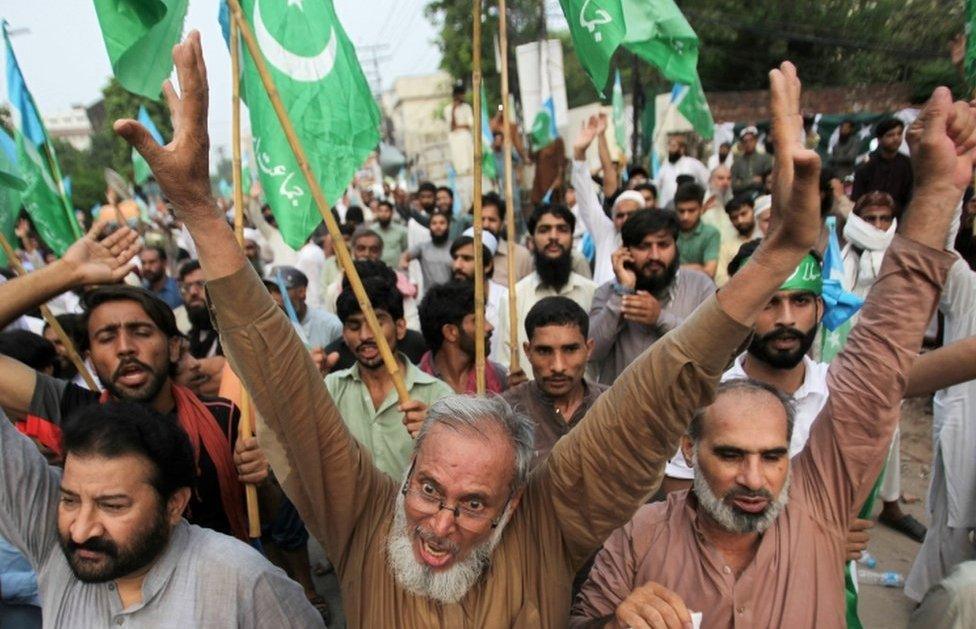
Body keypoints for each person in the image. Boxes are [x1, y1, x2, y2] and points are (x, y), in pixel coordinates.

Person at [117, 35, 828, 627]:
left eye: (473, 503)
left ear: (513, 501)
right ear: (406, 477)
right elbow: (284, 380)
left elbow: (655, 397)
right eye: (428, 489)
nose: (440, 524)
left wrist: (774, 258)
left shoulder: (548, 524)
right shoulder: (366, 517)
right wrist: (201, 213)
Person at [571, 80, 975, 628]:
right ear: (689, 450)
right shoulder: (636, 542)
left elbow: (881, 363)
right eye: (731, 456)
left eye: (773, 457)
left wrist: (934, 196)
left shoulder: (818, 504)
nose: (755, 481)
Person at [0, 225, 267, 541]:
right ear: (90, 356)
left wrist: (263, 480)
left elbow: (264, 517)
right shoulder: (75, 414)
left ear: (173, 347)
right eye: (107, 336)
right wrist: (66, 272)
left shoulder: (223, 415)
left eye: (140, 332)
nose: (125, 347)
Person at [0, 400, 322, 627]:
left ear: (173, 505)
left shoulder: (243, 582)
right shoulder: (56, 551)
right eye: (69, 500)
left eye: (112, 506)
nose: (81, 531)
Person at [328, 267, 452, 478]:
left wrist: (437, 435)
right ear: (344, 335)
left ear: (400, 327)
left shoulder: (438, 395)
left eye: (377, 322)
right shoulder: (331, 388)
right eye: (354, 325)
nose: (366, 335)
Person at [589, 209, 715, 385]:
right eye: (643, 246)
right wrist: (622, 292)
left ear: (675, 246)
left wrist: (660, 319)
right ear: (625, 251)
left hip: (682, 409)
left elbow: (711, 349)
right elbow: (591, 352)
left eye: (663, 245)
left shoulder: (701, 286)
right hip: (619, 409)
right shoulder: (608, 292)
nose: (654, 256)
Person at [497, 204, 597, 378]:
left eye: (562, 229)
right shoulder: (513, 297)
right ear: (532, 240)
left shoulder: (593, 293)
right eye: (544, 230)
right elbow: (503, 362)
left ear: (572, 238)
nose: (553, 237)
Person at [503, 296, 606, 462]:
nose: (558, 367)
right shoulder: (505, 414)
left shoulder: (614, 406)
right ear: (528, 352)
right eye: (544, 351)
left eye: (570, 349)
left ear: (588, 349)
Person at [572, 115, 646, 285]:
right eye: (619, 215)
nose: (625, 220)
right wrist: (579, 154)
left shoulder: (655, 243)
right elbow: (586, 197)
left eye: (631, 214)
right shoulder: (606, 234)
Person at [418, 281, 507, 394]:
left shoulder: (500, 378)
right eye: (477, 320)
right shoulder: (415, 386)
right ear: (450, 332)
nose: (490, 327)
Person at [451, 228, 505, 362]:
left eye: (467, 258)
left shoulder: (506, 299)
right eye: (455, 258)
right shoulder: (448, 301)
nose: (457, 265)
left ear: (487, 265)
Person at [264, 265, 342, 350]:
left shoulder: (331, 325)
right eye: (268, 291)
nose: (272, 297)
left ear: (302, 292)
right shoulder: (269, 328)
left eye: (279, 291)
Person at [853, 118, 913, 211]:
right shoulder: (867, 165)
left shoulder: (907, 163)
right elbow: (857, 198)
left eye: (899, 134)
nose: (896, 138)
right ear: (879, 139)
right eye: (890, 135)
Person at [479, 193, 534, 288]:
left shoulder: (520, 256)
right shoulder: (464, 255)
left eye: (492, 220)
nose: (486, 225)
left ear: (501, 224)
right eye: (481, 219)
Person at [401, 208, 454, 293]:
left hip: (452, 296)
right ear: (429, 226)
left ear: (448, 226)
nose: (438, 227)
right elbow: (405, 257)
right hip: (429, 299)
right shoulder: (422, 247)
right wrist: (404, 265)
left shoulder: (455, 248)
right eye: (434, 223)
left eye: (442, 223)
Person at [674, 182, 721, 278]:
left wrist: (673, 269)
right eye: (681, 211)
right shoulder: (669, 231)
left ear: (701, 209)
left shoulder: (710, 233)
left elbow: (710, 272)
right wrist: (697, 267)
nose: (685, 217)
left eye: (691, 211)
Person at [715, 195, 760, 286]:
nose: (740, 220)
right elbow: (720, 278)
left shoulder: (766, 235)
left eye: (743, 214)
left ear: (753, 211)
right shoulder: (726, 246)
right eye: (734, 217)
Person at [655, 133, 710, 208]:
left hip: (689, 207)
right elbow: (656, 186)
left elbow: (707, 183)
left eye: (673, 146)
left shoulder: (693, 164)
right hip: (667, 209)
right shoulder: (664, 167)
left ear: (682, 149)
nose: (670, 150)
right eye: (669, 146)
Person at [731, 125, 774, 195]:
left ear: (756, 140)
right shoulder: (737, 163)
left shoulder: (766, 158)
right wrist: (751, 181)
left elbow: (768, 181)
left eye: (751, 140)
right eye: (745, 141)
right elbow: (734, 185)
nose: (748, 144)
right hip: (742, 197)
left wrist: (742, 182)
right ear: (741, 143)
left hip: (763, 195)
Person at [295, 224, 328, 310]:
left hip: (315, 307)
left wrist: (313, 310)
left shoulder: (308, 255)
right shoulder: (313, 250)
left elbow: (312, 287)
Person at [373, 199, 409, 270]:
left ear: (391, 213)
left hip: (397, 270)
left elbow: (405, 250)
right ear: (377, 212)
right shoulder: (372, 231)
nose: (383, 214)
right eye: (381, 211)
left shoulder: (402, 231)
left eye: (386, 211)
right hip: (376, 270)